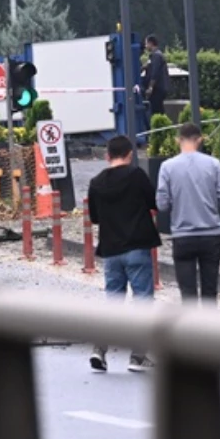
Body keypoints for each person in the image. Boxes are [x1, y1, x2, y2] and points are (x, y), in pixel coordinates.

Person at [87, 135, 160, 372]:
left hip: (111, 249)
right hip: (137, 246)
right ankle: (138, 356)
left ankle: (99, 349)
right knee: (142, 300)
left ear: (107, 155)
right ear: (130, 154)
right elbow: (153, 202)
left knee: (113, 300)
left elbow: (95, 217)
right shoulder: (136, 176)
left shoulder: (96, 182)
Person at [156, 123, 220, 305]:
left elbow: (162, 204)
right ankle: (207, 331)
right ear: (200, 139)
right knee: (210, 289)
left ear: (177, 140)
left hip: (183, 235)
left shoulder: (167, 167)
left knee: (187, 292)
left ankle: (190, 330)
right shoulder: (214, 164)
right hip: (211, 233)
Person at [142, 35, 169, 118]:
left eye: (146, 44)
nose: (145, 46)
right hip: (159, 88)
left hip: (157, 88)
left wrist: (150, 87)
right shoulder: (155, 56)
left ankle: (159, 126)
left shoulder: (156, 56)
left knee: (156, 110)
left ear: (151, 43)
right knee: (158, 109)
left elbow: (155, 72)